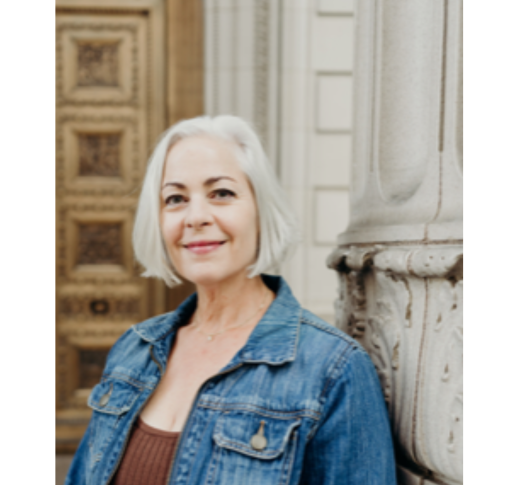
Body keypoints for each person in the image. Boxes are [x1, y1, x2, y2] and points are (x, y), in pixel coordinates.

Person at [65, 115, 397, 485]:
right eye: (175, 199)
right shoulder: (134, 349)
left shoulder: (332, 369)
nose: (196, 217)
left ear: (260, 209)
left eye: (221, 193)